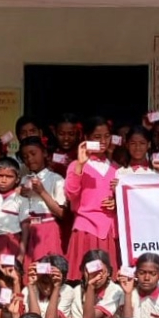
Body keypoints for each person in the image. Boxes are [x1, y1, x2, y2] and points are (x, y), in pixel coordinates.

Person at [65, 117, 120, 280]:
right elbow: (71, 194)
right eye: (97, 137)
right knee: (84, 278)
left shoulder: (116, 168)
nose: (103, 141)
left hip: (108, 230)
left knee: (107, 280)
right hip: (86, 228)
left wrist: (116, 203)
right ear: (86, 138)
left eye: (107, 136)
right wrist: (80, 165)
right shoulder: (76, 165)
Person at [18, 137, 68, 263]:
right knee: (30, 268)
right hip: (28, 230)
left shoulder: (56, 179)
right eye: (25, 157)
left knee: (47, 266)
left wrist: (42, 192)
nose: (29, 159)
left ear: (44, 153)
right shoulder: (24, 180)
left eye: (33, 154)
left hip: (48, 229)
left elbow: (62, 213)